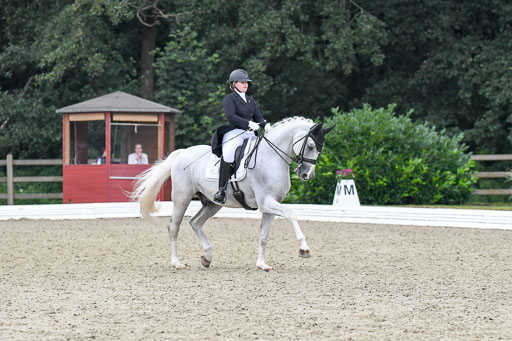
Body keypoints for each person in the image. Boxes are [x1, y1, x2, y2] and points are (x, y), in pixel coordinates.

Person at [211, 69, 271, 204]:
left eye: (247, 83)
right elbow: (231, 116)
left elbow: (259, 117)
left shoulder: (250, 100)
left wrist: (265, 125)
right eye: (242, 82)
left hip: (249, 133)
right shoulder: (230, 98)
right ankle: (221, 190)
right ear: (234, 84)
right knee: (229, 153)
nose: (245, 85)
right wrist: (249, 123)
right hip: (234, 132)